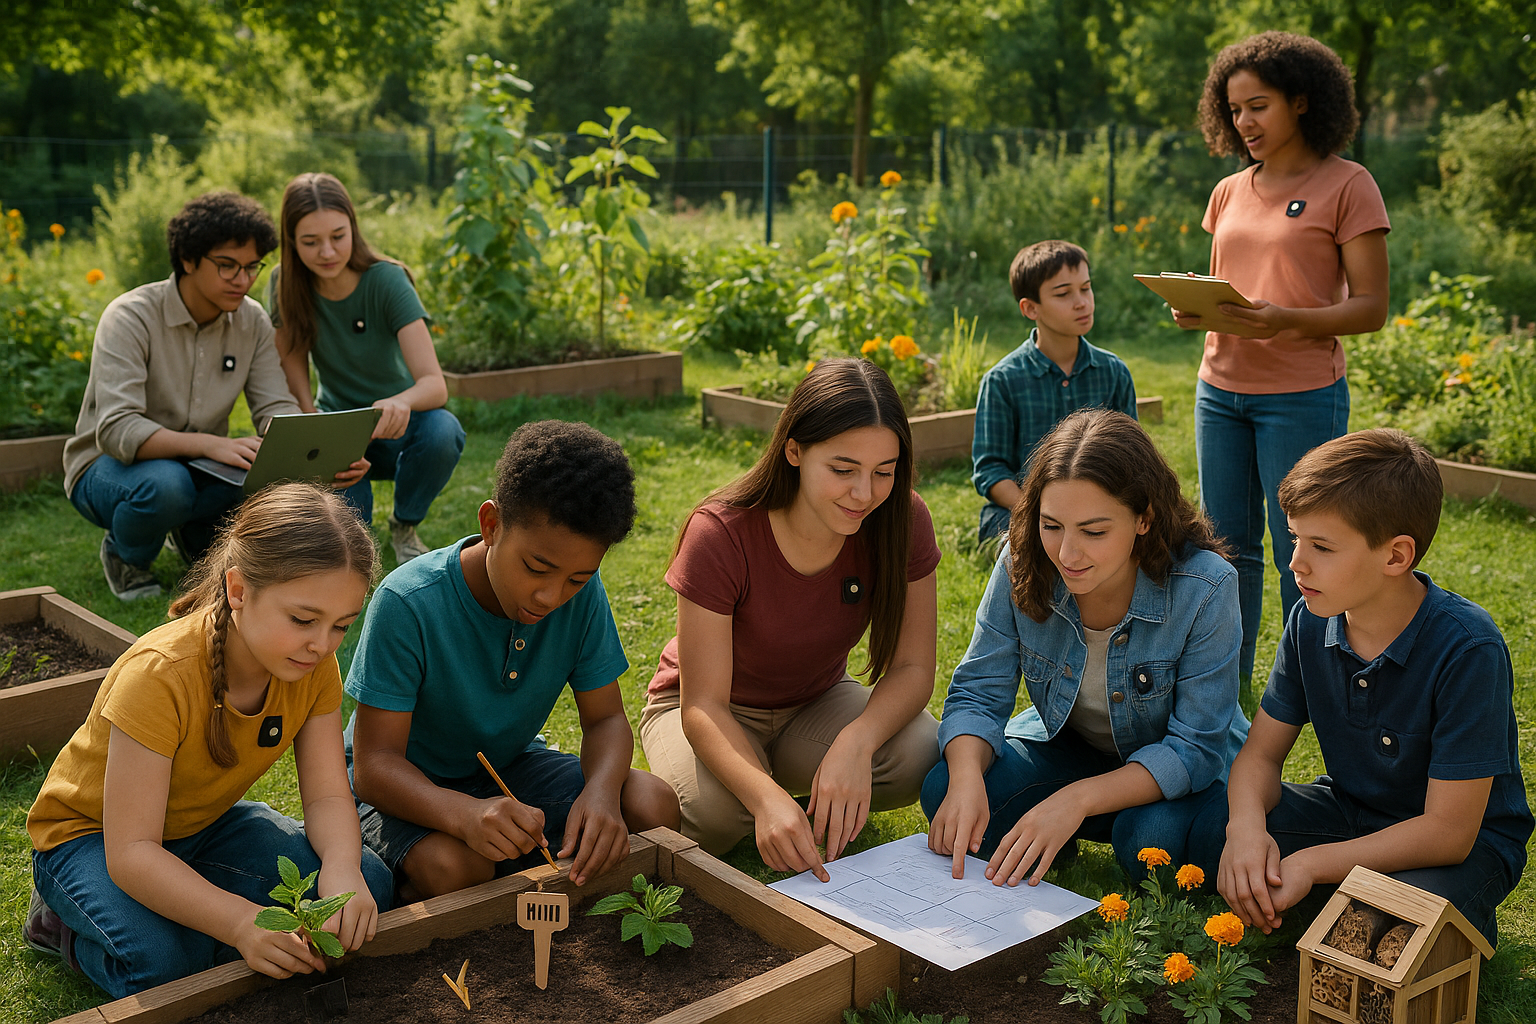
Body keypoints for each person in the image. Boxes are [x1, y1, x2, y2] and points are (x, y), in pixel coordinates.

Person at [24, 483, 394, 998]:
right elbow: (130, 851)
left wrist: (341, 868)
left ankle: (194, 905)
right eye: (304, 620)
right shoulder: (159, 676)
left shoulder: (314, 666)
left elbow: (329, 794)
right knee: (168, 964)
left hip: (200, 826)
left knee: (367, 889)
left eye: (341, 626)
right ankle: (59, 925)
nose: (321, 644)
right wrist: (241, 923)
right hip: (91, 838)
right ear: (238, 590)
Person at [1190, 430, 1531, 947]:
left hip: (1462, 844)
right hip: (1349, 816)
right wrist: (1246, 831)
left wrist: (1308, 864)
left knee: (1397, 923)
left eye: (1321, 547)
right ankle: (1337, 895)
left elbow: (1448, 832)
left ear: (1395, 556)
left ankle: (1391, 908)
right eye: (1294, 538)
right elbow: (1258, 758)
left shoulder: (1468, 647)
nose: (1295, 562)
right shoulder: (1309, 619)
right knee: (1209, 829)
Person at [346, 420, 678, 901]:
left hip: (507, 769)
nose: (550, 596)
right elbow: (375, 766)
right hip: (406, 789)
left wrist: (601, 794)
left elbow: (606, 719)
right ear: (491, 524)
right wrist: (463, 815)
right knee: (455, 866)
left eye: (577, 579)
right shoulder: (409, 601)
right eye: (536, 568)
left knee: (652, 803)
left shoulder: (581, 599)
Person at [641, 358, 942, 880]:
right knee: (718, 816)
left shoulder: (902, 519)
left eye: (883, 472)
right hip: (711, 709)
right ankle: (768, 787)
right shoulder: (720, 532)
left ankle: (801, 778)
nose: (865, 494)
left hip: (816, 702)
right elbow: (703, 706)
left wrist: (856, 742)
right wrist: (763, 799)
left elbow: (914, 668)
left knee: (918, 752)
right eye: (843, 470)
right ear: (795, 450)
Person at [925, 408, 1247, 885]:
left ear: (1144, 519)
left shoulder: (1206, 587)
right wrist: (968, 778)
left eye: (1094, 532)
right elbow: (979, 690)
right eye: (1051, 525)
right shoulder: (1021, 560)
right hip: (1072, 748)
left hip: (1175, 769)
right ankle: (1060, 830)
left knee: (1147, 845)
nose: (1067, 554)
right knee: (944, 788)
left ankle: (1081, 820)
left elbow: (1194, 749)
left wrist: (1073, 801)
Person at [1175, 32, 1391, 684]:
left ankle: (1314, 686)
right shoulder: (1229, 191)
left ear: (1301, 101)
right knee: (1226, 552)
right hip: (1220, 392)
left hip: (1300, 396)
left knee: (1310, 551)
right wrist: (1197, 309)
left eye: (1259, 106)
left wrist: (1284, 321)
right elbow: (1232, 289)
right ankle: (1225, 686)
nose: (1244, 122)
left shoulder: (1349, 184)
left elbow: (1372, 307)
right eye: (1235, 109)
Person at [63, 191, 364, 601]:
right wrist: (210, 444)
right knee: (167, 486)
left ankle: (191, 534)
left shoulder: (251, 320)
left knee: (264, 478)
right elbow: (117, 429)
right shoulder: (130, 316)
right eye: (227, 266)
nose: (242, 280)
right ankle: (126, 555)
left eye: (252, 267)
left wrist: (314, 452)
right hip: (107, 468)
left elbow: (274, 406)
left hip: (199, 467)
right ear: (188, 260)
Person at [271, 172, 465, 563]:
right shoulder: (284, 283)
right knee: (348, 533)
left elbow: (434, 384)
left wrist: (399, 402)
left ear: (353, 229)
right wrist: (317, 432)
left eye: (338, 236)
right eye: (310, 242)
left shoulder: (387, 280)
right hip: (340, 426)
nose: (327, 251)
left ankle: (405, 523)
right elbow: (293, 370)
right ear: (291, 242)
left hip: (399, 426)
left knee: (444, 430)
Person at [972, 240, 1138, 544]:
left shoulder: (1114, 372)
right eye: (1063, 294)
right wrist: (1039, 514)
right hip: (1020, 510)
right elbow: (989, 469)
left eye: (1086, 289)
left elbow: (1133, 460)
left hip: (1098, 512)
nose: (1081, 302)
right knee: (1027, 553)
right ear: (1030, 308)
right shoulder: (1002, 381)